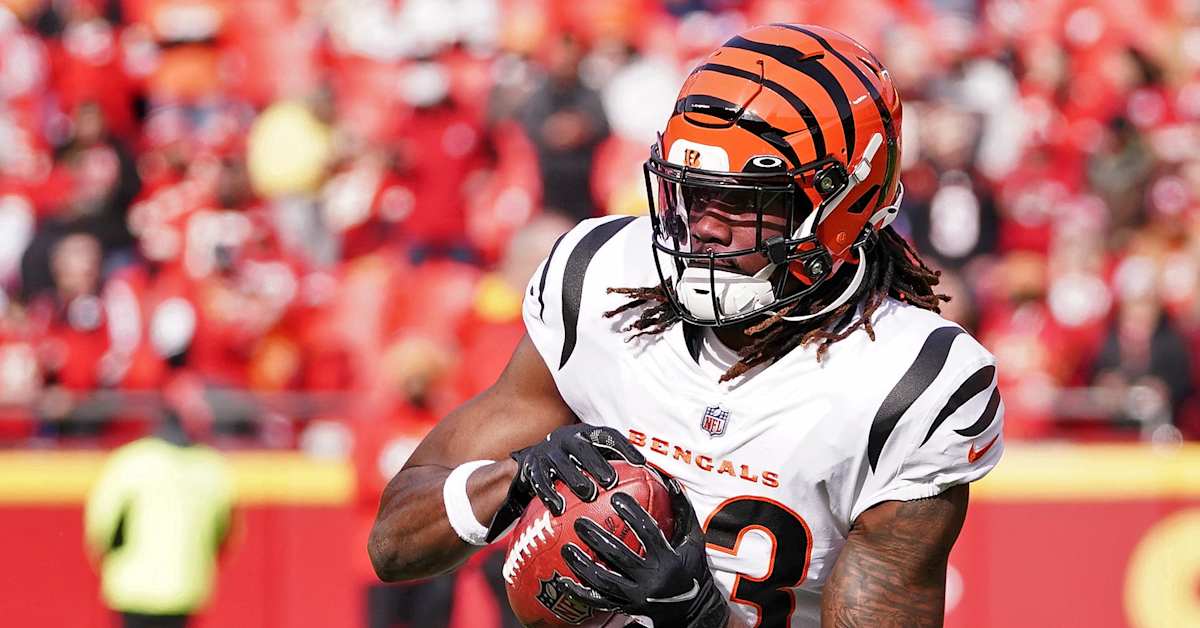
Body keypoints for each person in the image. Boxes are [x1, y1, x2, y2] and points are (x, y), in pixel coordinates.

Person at [369, 24, 1004, 628]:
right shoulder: (600, 280)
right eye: (694, 192)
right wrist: (514, 479)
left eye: (745, 199)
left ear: (843, 206)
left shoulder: (906, 385)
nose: (702, 225)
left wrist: (702, 617)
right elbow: (391, 546)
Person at [84, 412, 234, 628]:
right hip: (186, 588)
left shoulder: (130, 461)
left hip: (131, 588)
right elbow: (225, 534)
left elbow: (102, 527)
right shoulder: (211, 467)